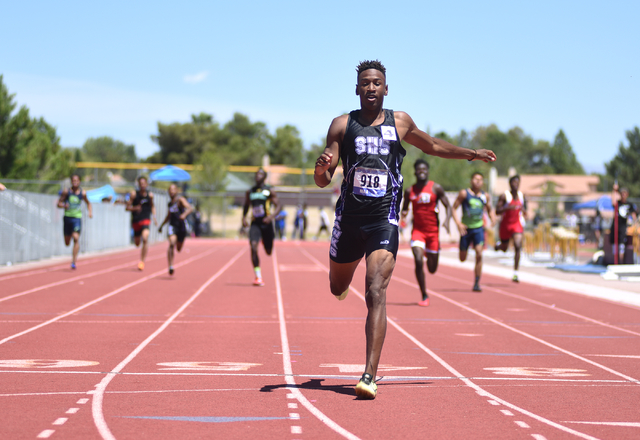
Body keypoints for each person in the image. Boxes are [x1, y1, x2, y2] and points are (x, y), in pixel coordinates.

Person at [313, 60, 496, 399]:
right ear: (357, 89)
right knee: (337, 285)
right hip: (349, 219)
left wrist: (472, 154)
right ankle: (339, 284)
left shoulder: (400, 122)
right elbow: (325, 178)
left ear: (386, 88)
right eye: (365, 83)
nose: (371, 87)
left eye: (377, 83)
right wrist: (320, 169)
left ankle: (369, 374)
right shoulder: (341, 125)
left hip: (384, 219)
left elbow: (434, 146)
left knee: (375, 290)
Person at [400, 159, 452, 307]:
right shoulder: (410, 191)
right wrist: (403, 216)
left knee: (432, 269)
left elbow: (448, 206)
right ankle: (424, 294)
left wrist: (447, 221)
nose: (421, 172)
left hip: (433, 233)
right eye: (419, 169)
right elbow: (405, 208)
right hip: (418, 231)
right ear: (415, 172)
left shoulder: (436, 188)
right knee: (417, 259)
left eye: (424, 169)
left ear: (427, 171)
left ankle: (429, 251)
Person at [452, 172, 496, 292]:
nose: (478, 182)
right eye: (476, 179)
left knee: (479, 253)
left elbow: (489, 209)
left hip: (478, 228)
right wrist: (458, 224)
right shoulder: (464, 193)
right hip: (466, 229)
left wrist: (493, 219)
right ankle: (463, 249)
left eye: (480, 180)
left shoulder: (485, 196)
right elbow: (453, 208)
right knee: (462, 258)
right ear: (471, 181)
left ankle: (477, 282)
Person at [242, 168, 282, 286]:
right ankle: (258, 276)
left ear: (264, 177)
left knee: (269, 251)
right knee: (253, 246)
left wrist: (271, 217)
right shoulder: (251, 191)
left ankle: (265, 241)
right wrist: (243, 218)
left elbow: (279, 206)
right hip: (255, 223)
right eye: (256, 174)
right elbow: (246, 205)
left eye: (260, 174)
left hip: (267, 223)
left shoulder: (269, 190)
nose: (257, 176)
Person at [494, 174, 527, 283]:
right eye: (514, 182)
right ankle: (499, 246)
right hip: (505, 225)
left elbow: (525, 210)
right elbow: (497, 211)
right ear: (510, 184)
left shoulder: (522, 196)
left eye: (518, 183)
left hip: (516, 224)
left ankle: (516, 273)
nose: (516, 185)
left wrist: (524, 212)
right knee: (505, 248)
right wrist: (508, 207)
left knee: (518, 245)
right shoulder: (504, 196)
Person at [57, 174, 92, 269]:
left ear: (79, 181)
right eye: (73, 180)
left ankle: (73, 261)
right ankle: (72, 255)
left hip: (77, 218)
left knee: (76, 238)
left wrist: (90, 212)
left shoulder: (82, 193)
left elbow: (88, 203)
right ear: (71, 182)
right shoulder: (66, 192)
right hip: (67, 218)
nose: (75, 182)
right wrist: (64, 206)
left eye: (77, 180)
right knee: (67, 242)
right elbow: (58, 204)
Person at [158, 184, 193, 275]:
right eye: (170, 190)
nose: (172, 192)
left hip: (181, 227)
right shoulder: (169, 203)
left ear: (177, 191)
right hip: (172, 226)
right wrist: (161, 226)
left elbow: (190, 208)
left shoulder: (180, 200)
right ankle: (170, 265)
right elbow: (168, 216)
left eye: (173, 190)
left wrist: (184, 215)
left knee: (178, 248)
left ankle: (179, 242)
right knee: (171, 243)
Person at [126, 176, 157, 271]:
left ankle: (142, 261)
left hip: (146, 219)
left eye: (144, 183)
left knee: (145, 238)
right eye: (141, 183)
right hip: (136, 221)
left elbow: (152, 206)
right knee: (137, 243)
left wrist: (154, 217)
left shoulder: (150, 195)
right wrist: (135, 208)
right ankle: (141, 257)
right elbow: (127, 207)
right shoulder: (134, 194)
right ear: (138, 184)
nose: (143, 185)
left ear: (147, 184)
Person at [610, 183, 637, 264]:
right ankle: (615, 261)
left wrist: (634, 225)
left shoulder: (629, 204)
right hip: (615, 226)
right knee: (615, 245)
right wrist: (614, 190)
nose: (623, 195)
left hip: (623, 227)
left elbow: (634, 216)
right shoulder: (617, 203)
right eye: (622, 193)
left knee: (622, 245)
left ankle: (621, 262)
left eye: (625, 193)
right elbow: (613, 201)